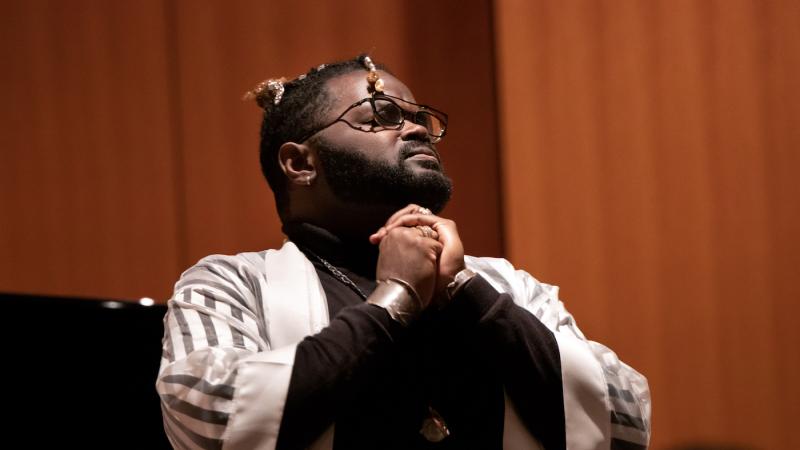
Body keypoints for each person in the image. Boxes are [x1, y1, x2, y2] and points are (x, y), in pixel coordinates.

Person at [156, 55, 651, 450]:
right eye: (384, 115)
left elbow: (625, 423)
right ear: (300, 163)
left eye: (422, 119)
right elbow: (212, 418)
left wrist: (467, 293)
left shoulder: (505, 286)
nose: (417, 129)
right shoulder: (230, 283)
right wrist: (395, 297)